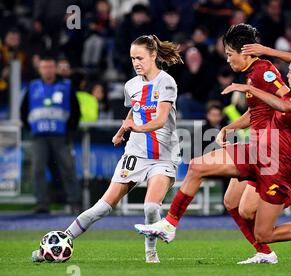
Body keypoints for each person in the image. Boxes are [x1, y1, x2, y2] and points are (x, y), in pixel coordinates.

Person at [135, 40, 291, 255]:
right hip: (257, 150)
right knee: (198, 167)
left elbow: (284, 106)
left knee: (263, 232)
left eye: (290, 72)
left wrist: (250, 88)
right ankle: (169, 225)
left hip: (277, 164)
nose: (286, 75)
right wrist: (267, 49)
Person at [32, 35, 183, 263]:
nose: (136, 63)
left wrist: (136, 127)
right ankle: (56, 244)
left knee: (151, 207)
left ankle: (151, 254)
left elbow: (161, 119)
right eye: (133, 58)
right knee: (101, 208)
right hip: (136, 153)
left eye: (140, 57)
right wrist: (123, 130)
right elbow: (135, 109)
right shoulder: (130, 85)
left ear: (153, 55)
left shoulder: (167, 82)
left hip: (163, 156)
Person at [215, 24, 291, 264]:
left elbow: (287, 98)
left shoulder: (264, 71)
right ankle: (264, 252)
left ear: (246, 52)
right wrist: (228, 128)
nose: (228, 59)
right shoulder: (252, 73)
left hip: (270, 150)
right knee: (231, 202)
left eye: (230, 54)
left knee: (247, 210)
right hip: (256, 145)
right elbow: (258, 112)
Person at [20, 55, 81, 214]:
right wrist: (32, 129)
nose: (47, 70)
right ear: (39, 69)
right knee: (38, 170)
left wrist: (69, 132)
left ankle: (75, 203)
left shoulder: (66, 86)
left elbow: (75, 111)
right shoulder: (32, 86)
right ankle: (42, 203)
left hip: (61, 137)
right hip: (38, 137)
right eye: (44, 67)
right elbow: (23, 111)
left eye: (50, 67)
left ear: (55, 68)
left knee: (68, 168)